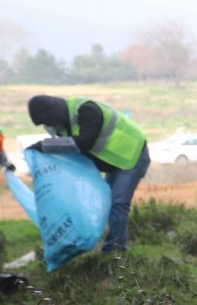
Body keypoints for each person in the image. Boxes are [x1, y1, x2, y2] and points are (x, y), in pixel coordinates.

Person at [26, 94, 151, 252]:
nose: (48, 125)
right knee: (107, 202)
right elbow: (70, 150)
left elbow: (84, 142)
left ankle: (115, 250)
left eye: (47, 121)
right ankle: (112, 243)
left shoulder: (87, 110)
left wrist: (45, 145)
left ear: (54, 114)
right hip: (115, 161)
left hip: (132, 154)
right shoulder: (63, 126)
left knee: (119, 202)